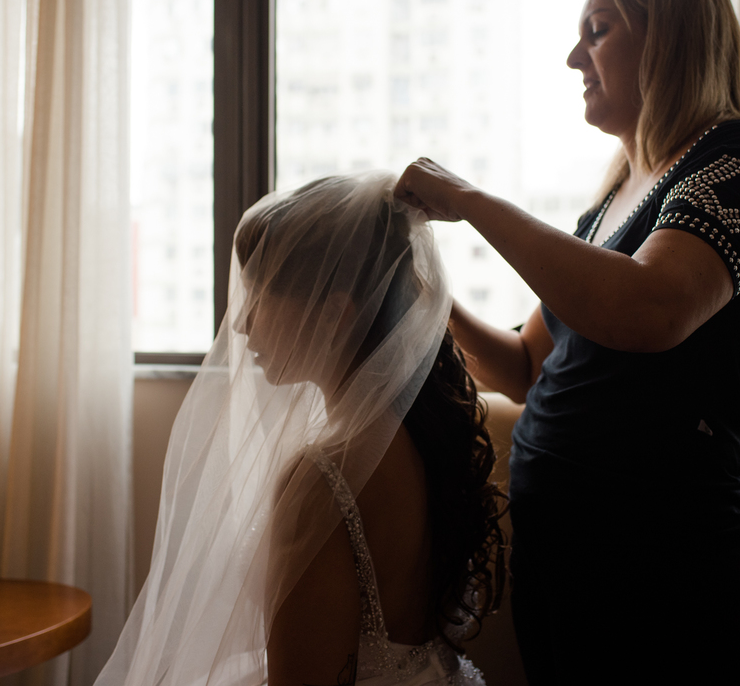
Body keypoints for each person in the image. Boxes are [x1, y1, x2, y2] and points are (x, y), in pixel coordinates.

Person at [395, 0, 740, 684]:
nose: (573, 57)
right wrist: (419, 289)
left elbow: (650, 310)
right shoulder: (611, 205)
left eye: (598, 30)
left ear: (670, 38)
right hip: (566, 567)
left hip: (665, 577)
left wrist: (470, 201)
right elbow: (525, 367)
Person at [95, 172, 504, 686]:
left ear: (332, 313)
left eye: (259, 296)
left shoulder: (325, 477)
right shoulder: (420, 432)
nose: (241, 324)